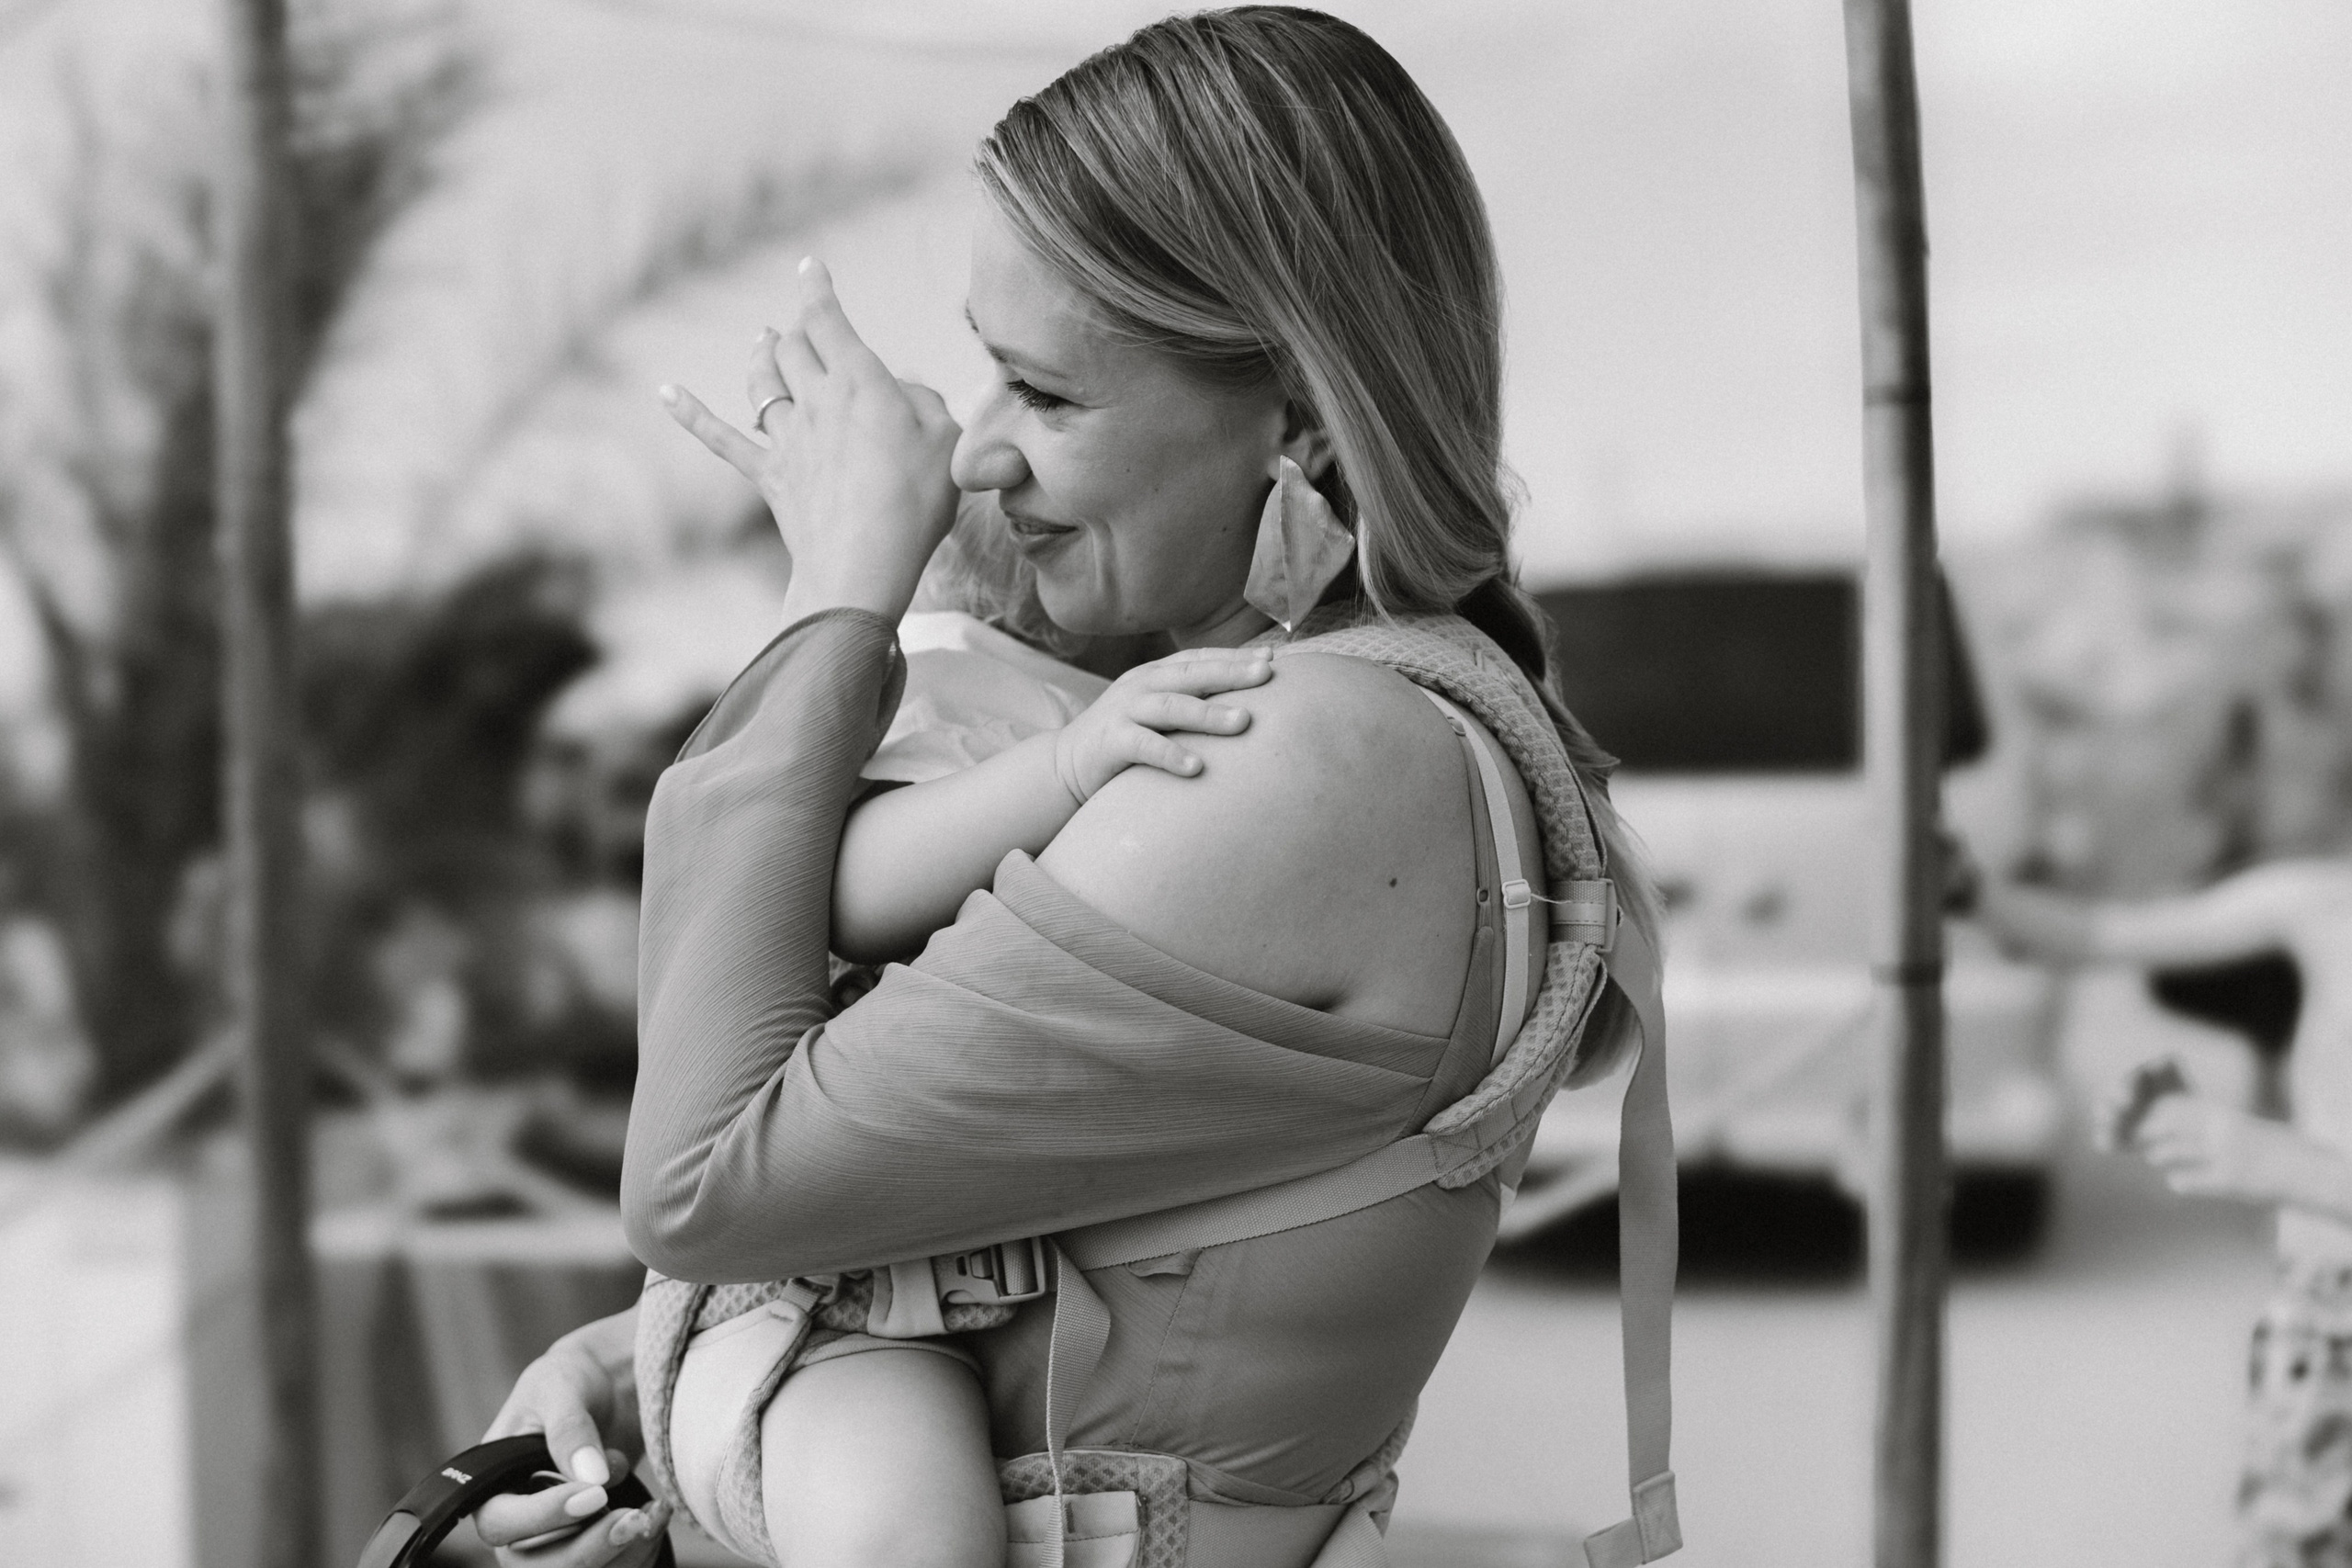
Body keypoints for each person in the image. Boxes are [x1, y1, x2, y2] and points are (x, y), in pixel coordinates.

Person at [471, 10, 1666, 1567]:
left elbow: (702, 1181)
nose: (976, 458)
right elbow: (989, 1226)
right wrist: (659, 1368)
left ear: (1299, 412)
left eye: (1044, 393)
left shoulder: (1305, 758)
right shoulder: (1344, 724)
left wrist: (834, 594)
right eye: (985, 377)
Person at [1978, 861, 2352, 1567]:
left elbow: (2289, 1162)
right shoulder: (2322, 902)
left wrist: (2285, 1163)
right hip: (2315, 1322)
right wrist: (1973, 890)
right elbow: (2101, 933)